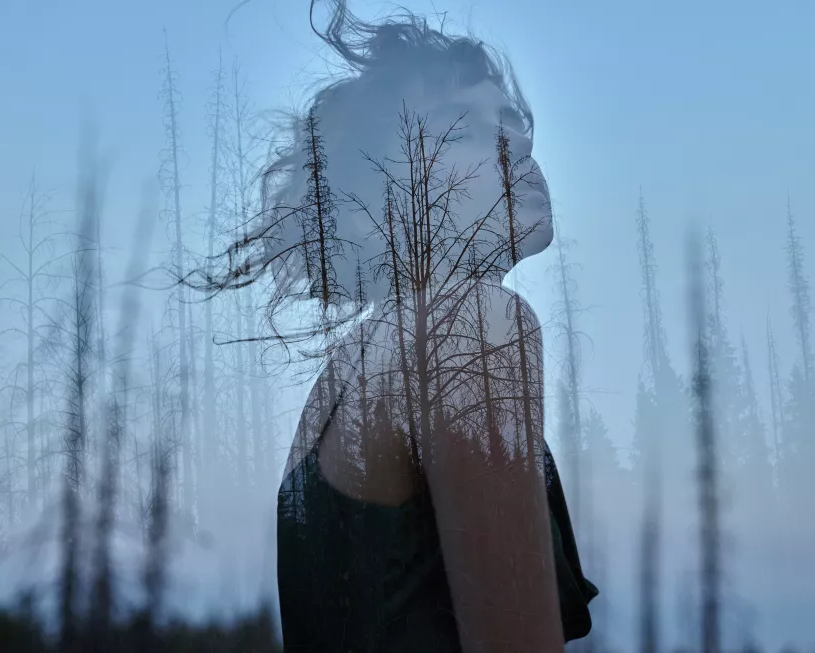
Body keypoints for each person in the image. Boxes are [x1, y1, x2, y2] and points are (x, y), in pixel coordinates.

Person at [208, 1, 597, 650]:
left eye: (514, 125)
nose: (522, 146)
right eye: (465, 129)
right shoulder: (470, 324)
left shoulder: (347, 378)